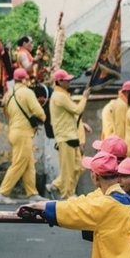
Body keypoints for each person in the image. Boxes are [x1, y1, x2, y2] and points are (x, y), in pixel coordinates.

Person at [0, 69, 45, 204]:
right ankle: (2, 193)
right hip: (23, 132)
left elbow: (6, 113)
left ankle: (32, 194)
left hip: (14, 130)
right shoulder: (27, 92)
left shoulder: (8, 95)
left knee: (29, 164)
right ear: (25, 80)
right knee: (18, 164)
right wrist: (42, 117)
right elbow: (39, 112)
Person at [48, 70, 90, 199]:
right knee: (68, 170)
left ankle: (57, 185)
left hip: (71, 136)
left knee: (78, 166)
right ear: (59, 81)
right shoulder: (59, 96)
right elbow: (77, 110)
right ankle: (67, 194)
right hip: (65, 137)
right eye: (67, 80)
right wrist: (85, 97)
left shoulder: (63, 95)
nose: (69, 82)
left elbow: (69, 117)